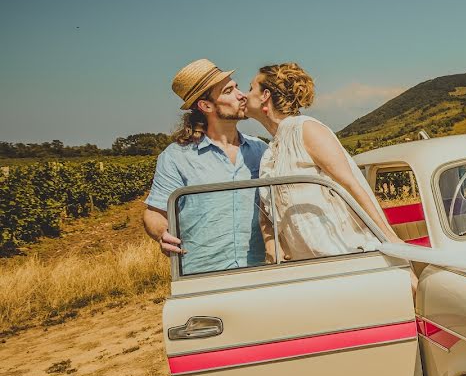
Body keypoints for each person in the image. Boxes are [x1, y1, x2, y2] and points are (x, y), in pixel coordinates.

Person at [243, 62, 405, 262]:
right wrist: (271, 244)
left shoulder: (306, 129)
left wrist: (390, 238)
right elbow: (268, 211)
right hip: (307, 266)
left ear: (265, 96)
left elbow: (352, 184)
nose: (245, 94)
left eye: (251, 88)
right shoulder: (269, 153)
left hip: (346, 255)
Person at [143, 59, 269, 274]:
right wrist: (162, 234)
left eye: (237, 87)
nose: (241, 95)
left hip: (261, 269)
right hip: (203, 274)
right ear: (206, 106)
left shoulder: (261, 149)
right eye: (229, 90)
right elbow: (154, 213)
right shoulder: (175, 157)